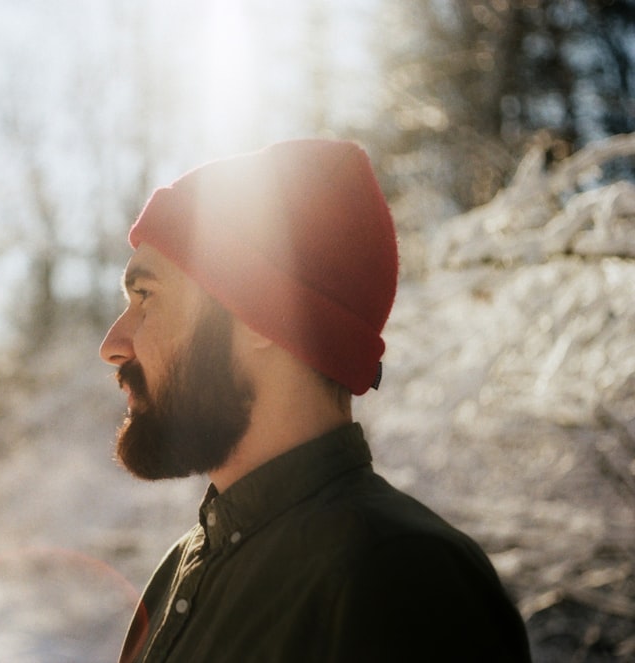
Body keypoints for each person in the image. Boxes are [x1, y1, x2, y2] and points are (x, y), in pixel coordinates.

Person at [98, 139, 532, 662]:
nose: (112, 345)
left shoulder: (402, 578)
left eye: (146, 297)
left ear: (261, 315)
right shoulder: (181, 571)